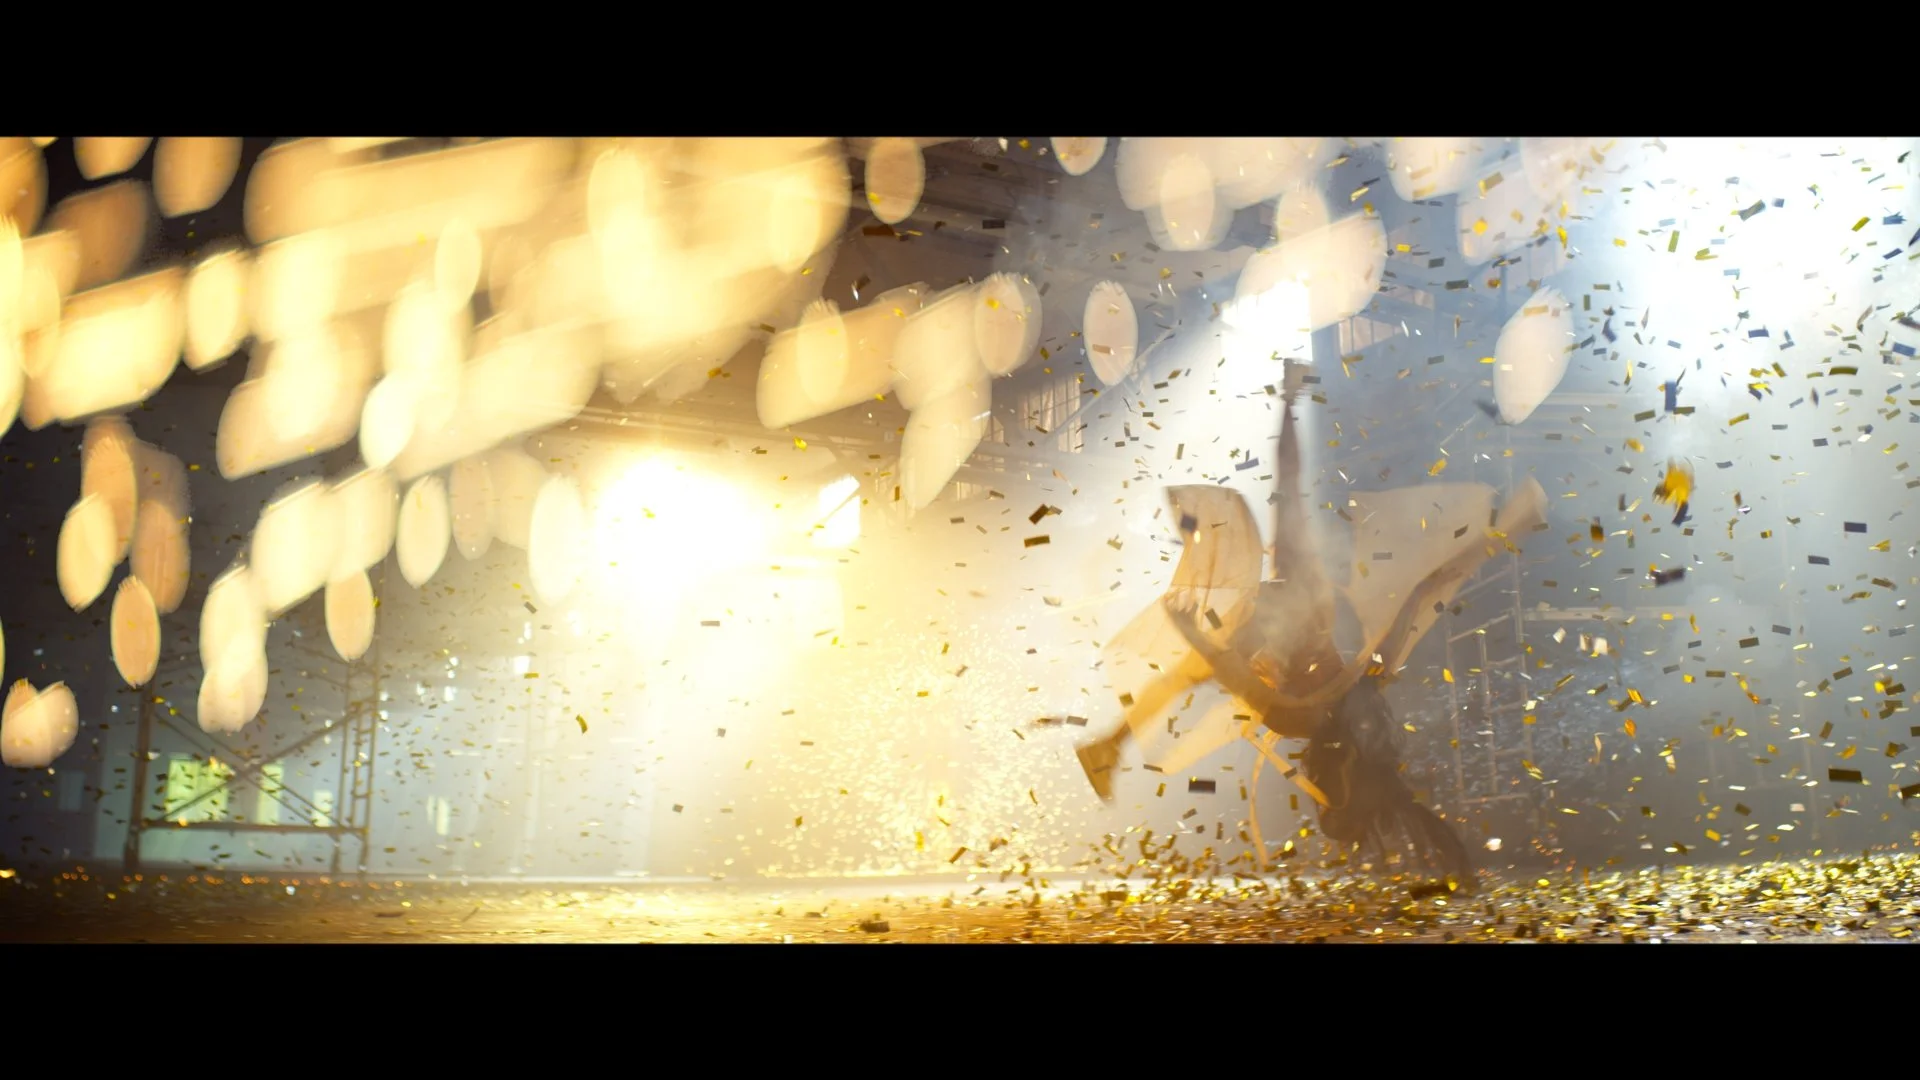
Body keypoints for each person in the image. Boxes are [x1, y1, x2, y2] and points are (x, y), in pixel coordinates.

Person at [1076, 361, 1544, 881]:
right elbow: (1420, 592)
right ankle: (1108, 746)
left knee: (1201, 662)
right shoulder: (1356, 683)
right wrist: (1499, 537)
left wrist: (1194, 635)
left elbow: (1233, 671)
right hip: (1291, 623)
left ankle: (1109, 746)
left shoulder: (1312, 707)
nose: (1321, 777)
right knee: (1285, 521)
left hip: (1278, 631)